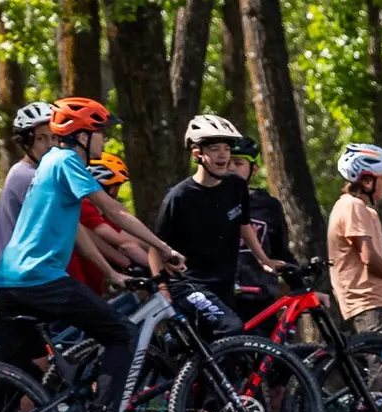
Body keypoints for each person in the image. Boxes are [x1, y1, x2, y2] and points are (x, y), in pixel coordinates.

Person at [0, 96, 188, 412]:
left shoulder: (50, 162)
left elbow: (80, 232)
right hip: (41, 280)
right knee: (121, 334)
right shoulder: (67, 161)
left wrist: (110, 272)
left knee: (40, 369)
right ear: (81, 135)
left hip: (10, 282)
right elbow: (112, 210)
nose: (104, 140)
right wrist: (163, 248)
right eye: (100, 132)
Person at [152, 114, 277, 336]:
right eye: (214, 149)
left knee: (223, 354)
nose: (223, 155)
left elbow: (244, 225)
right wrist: (162, 288)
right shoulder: (179, 197)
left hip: (225, 284)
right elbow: (154, 247)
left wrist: (263, 259)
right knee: (231, 330)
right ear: (197, 154)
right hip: (190, 285)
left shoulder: (236, 186)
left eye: (227, 149)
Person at [326, 142, 382, 333]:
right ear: (367, 181)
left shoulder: (367, 212)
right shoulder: (351, 206)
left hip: (381, 299)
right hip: (368, 301)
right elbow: (368, 256)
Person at [227, 135, 295, 321]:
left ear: (254, 169)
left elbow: (280, 251)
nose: (231, 167)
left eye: (238, 162)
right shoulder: (206, 200)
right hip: (219, 298)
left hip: (259, 299)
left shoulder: (268, 206)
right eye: (226, 162)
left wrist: (300, 285)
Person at [0, 101, 58, 276]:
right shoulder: (27, 177)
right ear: (26, 143)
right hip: (16, 279)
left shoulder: (37, 172)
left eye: (55, 137)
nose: (50, 145)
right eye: (41, 138)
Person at [66, 152, 146, 295]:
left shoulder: (101, 213)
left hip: (91, 283)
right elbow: (124, 245)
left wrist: (159, 250)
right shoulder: (84, 206)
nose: (116, 193)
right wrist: (154, 267)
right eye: (115, 186)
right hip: (76, 281)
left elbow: (133, 238)